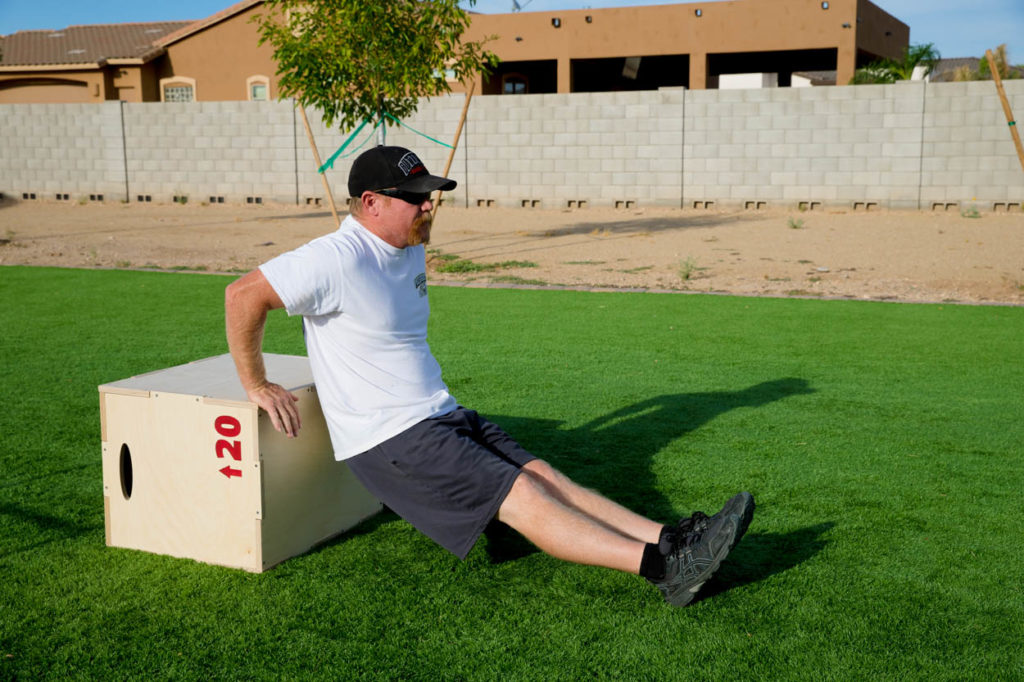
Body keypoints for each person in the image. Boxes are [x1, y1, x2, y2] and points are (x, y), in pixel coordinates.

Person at [224, 145, 754, 606]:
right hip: (391, 436)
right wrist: (257, 383)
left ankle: (671, 538)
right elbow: (243, 295)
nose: (428, 205)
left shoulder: (406, 247)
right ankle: (668, 572)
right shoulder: (336, 258)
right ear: (371, 203)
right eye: (416, 197)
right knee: (525, 496)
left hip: (438, 412)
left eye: (431, 194)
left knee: (543, 474)